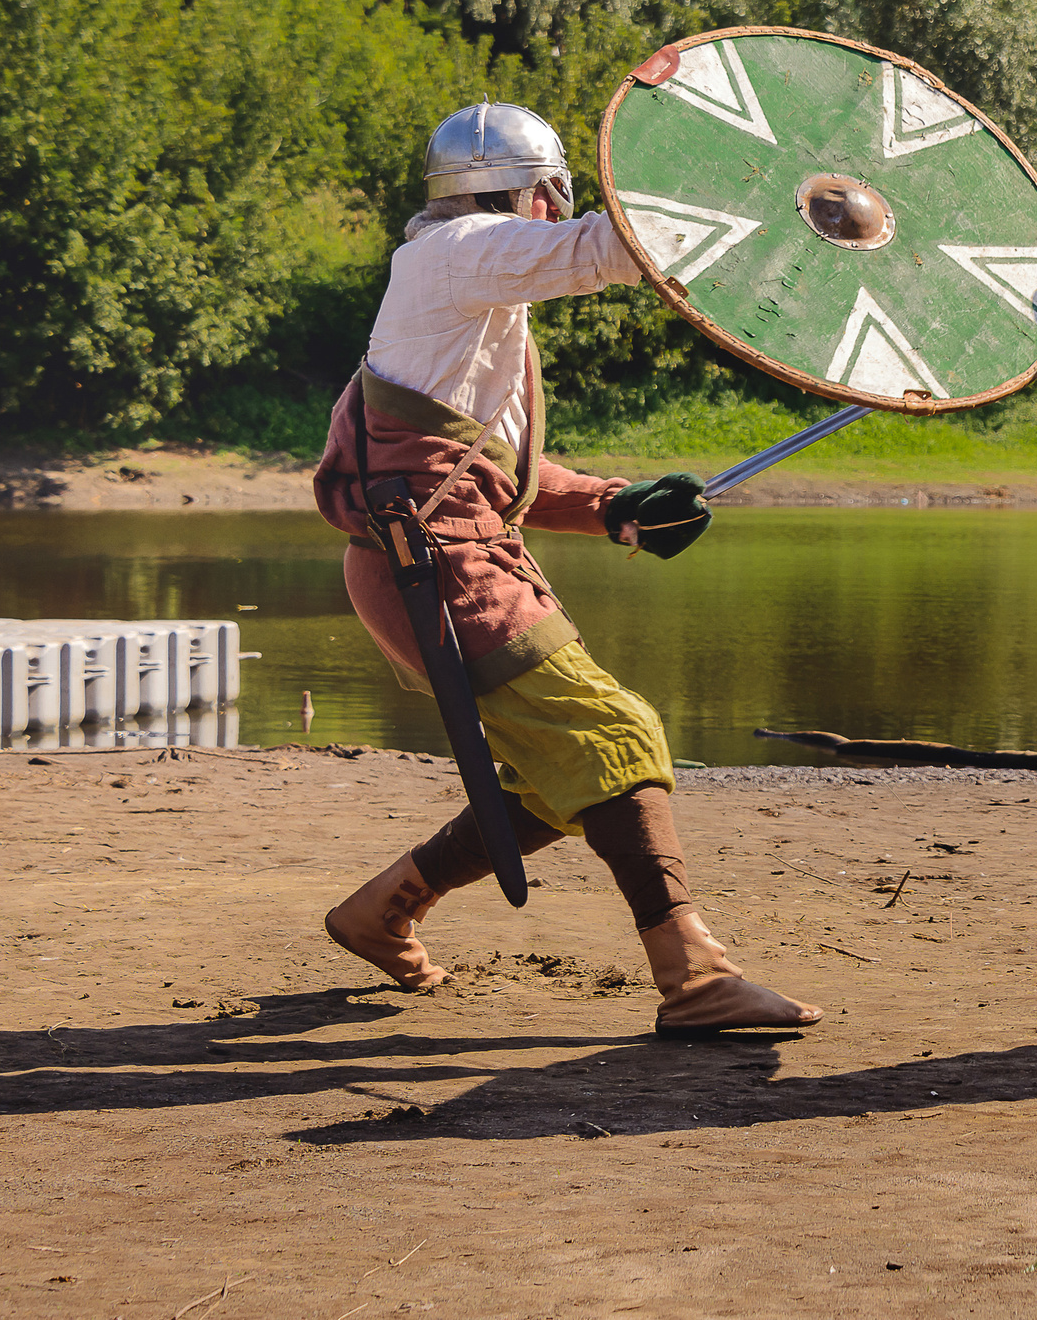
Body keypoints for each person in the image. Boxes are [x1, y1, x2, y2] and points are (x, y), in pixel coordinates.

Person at [310, 100, 820, 1037]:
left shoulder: (465, 287)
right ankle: (695, 975)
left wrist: (614, 505)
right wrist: (763, 204)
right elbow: (607, 250)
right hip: (439, 571)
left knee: (559, 770)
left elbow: (488, 472)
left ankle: (384, 906)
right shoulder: (456, 251)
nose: (555, 212)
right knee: (616, 732)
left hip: (449, 559)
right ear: (517, 192)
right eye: (549, 194)